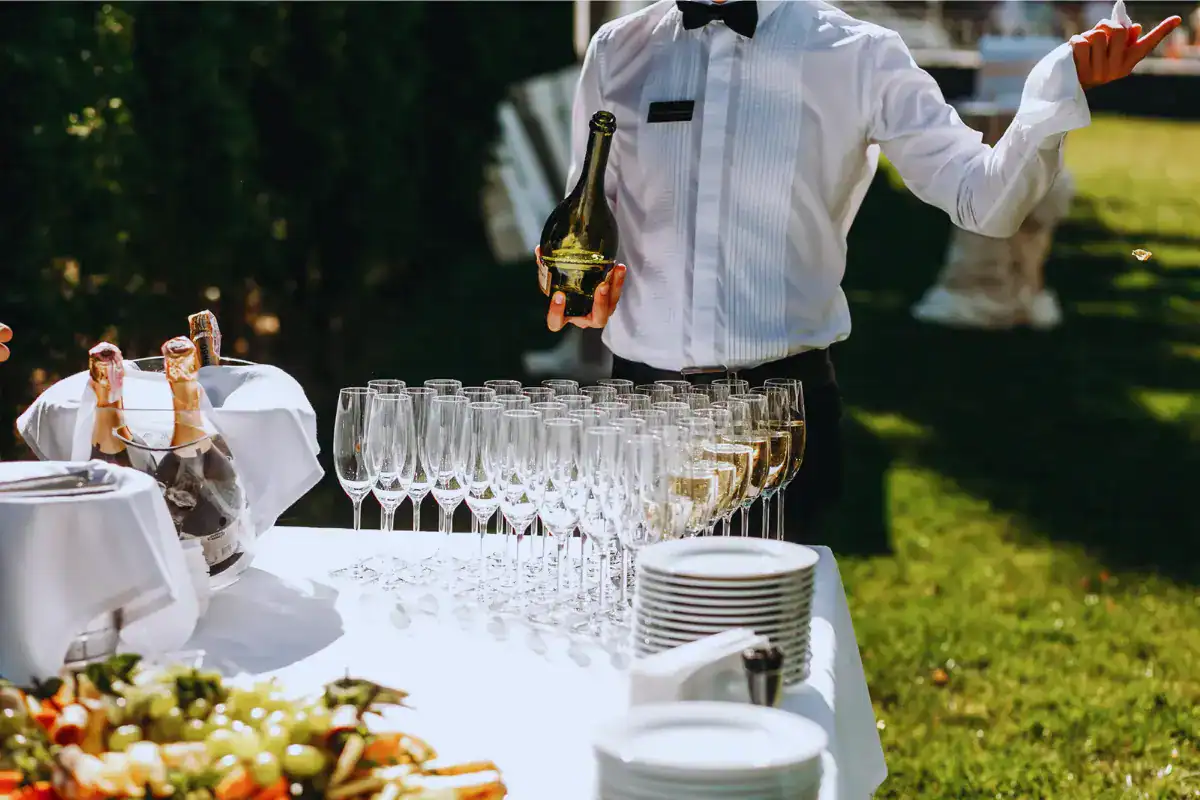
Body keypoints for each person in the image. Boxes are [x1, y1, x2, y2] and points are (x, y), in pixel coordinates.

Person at [538, 0, 1180, 542]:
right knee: (635, 643)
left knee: (768, 664)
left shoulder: (858, 54)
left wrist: (1055, 86)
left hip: (777, 421)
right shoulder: (618, 49)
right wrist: (581, 279)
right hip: (639, 410)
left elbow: (982, 199)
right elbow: (592, 209)